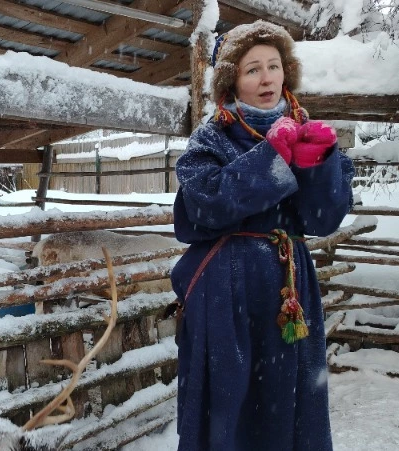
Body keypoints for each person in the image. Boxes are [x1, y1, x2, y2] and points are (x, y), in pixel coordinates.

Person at [169, 20, 353, 451]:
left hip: (290, 291)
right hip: (226, 290)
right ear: (232, 79)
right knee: (229, 400)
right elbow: (206, 204)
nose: (267, 77)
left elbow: (324, 220)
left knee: (290, 401)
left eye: (274, 65)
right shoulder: (210, 139)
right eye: (253, 69)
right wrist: (272, 158)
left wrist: (321, 163)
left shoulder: (306, 130)